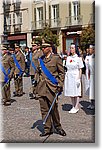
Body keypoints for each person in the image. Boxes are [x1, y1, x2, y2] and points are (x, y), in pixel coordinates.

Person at [36, 42, 66, 137]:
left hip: (52, 88)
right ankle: (47, 129)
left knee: (54, 109)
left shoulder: (56, 58)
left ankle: (58, 126)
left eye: (44, 48)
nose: (42, 49)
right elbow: (38, 73)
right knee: (44, 109)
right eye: (42, 48)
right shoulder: (41, 60)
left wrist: (60, 84)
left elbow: (62, 73)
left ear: (49, 48)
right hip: (41, 88)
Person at [64, 43, 84, 113]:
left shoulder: (78, 58)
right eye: (70, 48)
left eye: (72, 48)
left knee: (76, 91)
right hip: (69, 75)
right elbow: (66, 67)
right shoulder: (68, 58)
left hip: (75, 75)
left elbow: (80, 69)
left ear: (75, 49)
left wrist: (79, 78)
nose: (71, 49)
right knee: (71, 91)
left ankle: (76, 106)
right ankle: (73, 106)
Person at [87, 45, 95, 110]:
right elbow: (89, 68)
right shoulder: (90, 57)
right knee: (92, 91)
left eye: (91, 49)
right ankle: (92, 103)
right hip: (92, 76)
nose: (89, 50)